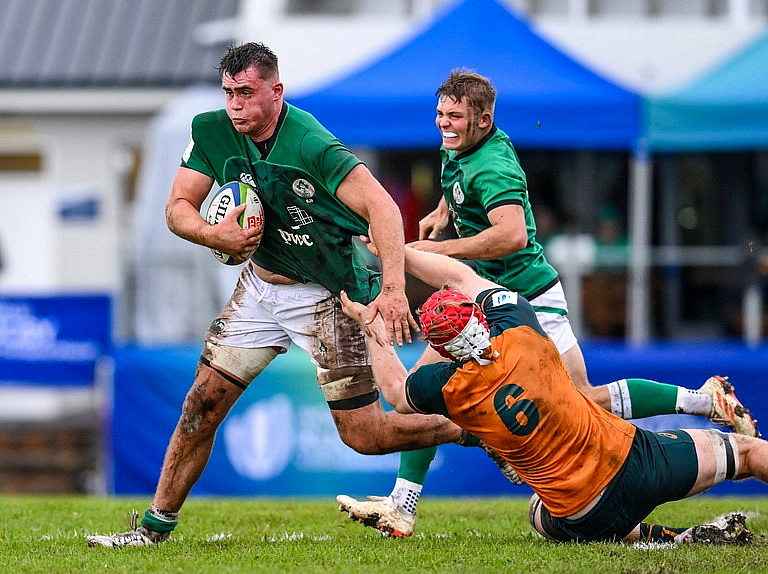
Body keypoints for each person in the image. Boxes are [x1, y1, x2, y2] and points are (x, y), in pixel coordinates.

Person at [86, 42, 479, 547]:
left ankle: (469, 429)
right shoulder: (210, 130)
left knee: (365, 436)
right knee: (199, 405)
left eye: (246, 93)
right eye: (229, 93)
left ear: (276, 91)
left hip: (329, 295)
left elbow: (383, 207)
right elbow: (177, 206)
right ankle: (153, 529)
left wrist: (396, 289)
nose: (235, 105)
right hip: (258, 287)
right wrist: (215, 236)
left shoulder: (310, 141)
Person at [336, 69, 760, 537]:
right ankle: (403, 503)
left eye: (454, 116)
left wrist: (432, 251)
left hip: (524, 299)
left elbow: (512, 235)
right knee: (422, 392)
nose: (444, 123)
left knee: (585, 400)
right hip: (476, 300)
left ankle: (703, 401)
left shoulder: (493, 163)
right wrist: (441, 214)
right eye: (439, 114)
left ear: (484, 118)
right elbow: (456, 183)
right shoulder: (460, 143)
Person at [337, 244, 765, 544]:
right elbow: (461, 275)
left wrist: (371, 328)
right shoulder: (522, 330)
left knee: (539, 516)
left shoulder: (451, 388)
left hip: (579, 513)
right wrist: (395, 251)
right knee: (745, 454)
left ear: (443, 350)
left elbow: (395, 393)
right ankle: (701, 402)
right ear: (480, 319)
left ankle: (676, 537)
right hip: (634, 465)